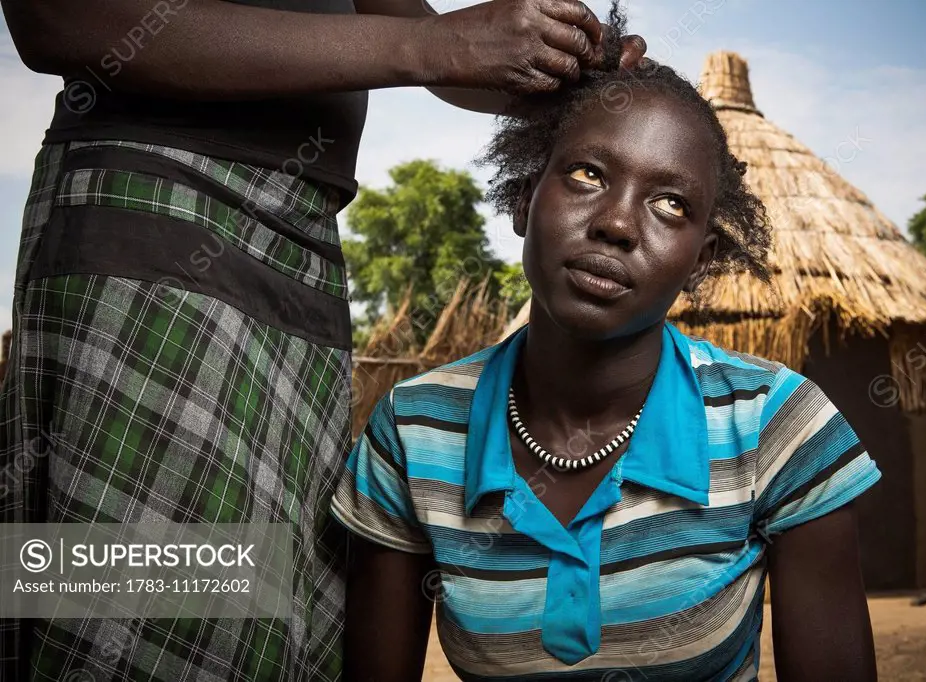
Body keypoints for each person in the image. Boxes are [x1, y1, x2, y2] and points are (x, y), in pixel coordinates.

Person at [0, 0, 648, 680]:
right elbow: (58, 18)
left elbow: (436, 47)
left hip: (304, 237)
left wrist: (557, 69)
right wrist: (428, 44)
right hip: (164, 211)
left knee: (253, 614)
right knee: (142, 610)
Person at [332, 5, 881, 680]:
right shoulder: (415, 434)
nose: (618, 223)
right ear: (524, 197)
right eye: (589, 174)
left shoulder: (775, 427)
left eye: (670, 204)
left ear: (702, 259)